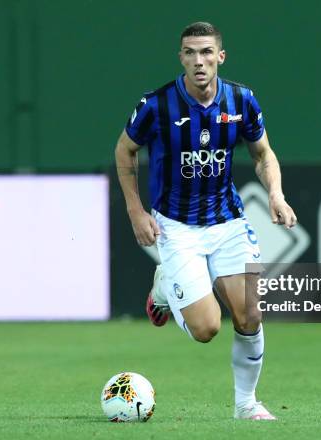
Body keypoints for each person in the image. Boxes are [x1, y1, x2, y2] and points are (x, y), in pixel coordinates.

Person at [115, 22, 297, 420]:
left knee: (249, 313)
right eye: (191, 53)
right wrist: (135, 210)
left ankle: (247, 405)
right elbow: (125, 150)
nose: (199, 61)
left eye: (206, 52)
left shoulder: (242, 100)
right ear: (181, 57)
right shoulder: (156, 105)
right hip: (177, 226)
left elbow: (263, 154)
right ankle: (164, 287)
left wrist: (276, 194)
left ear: (220, 56)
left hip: (228, 220)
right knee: (206, 329)